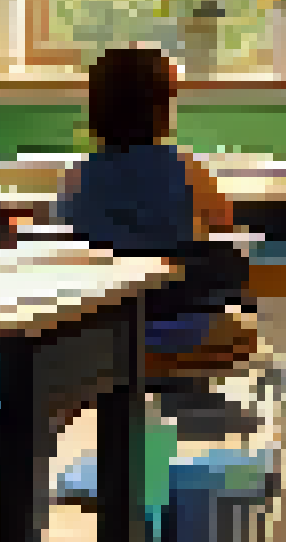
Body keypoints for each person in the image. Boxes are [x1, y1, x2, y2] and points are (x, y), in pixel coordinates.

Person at [58, 45, 254, 375]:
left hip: (106, 323)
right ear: (162, 108)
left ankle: (140, 365)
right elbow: (225, 223)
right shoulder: (189, 169)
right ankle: (174, 373)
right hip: (182, 319)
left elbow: (67, 228)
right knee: (235, 302)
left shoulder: (77, 176)